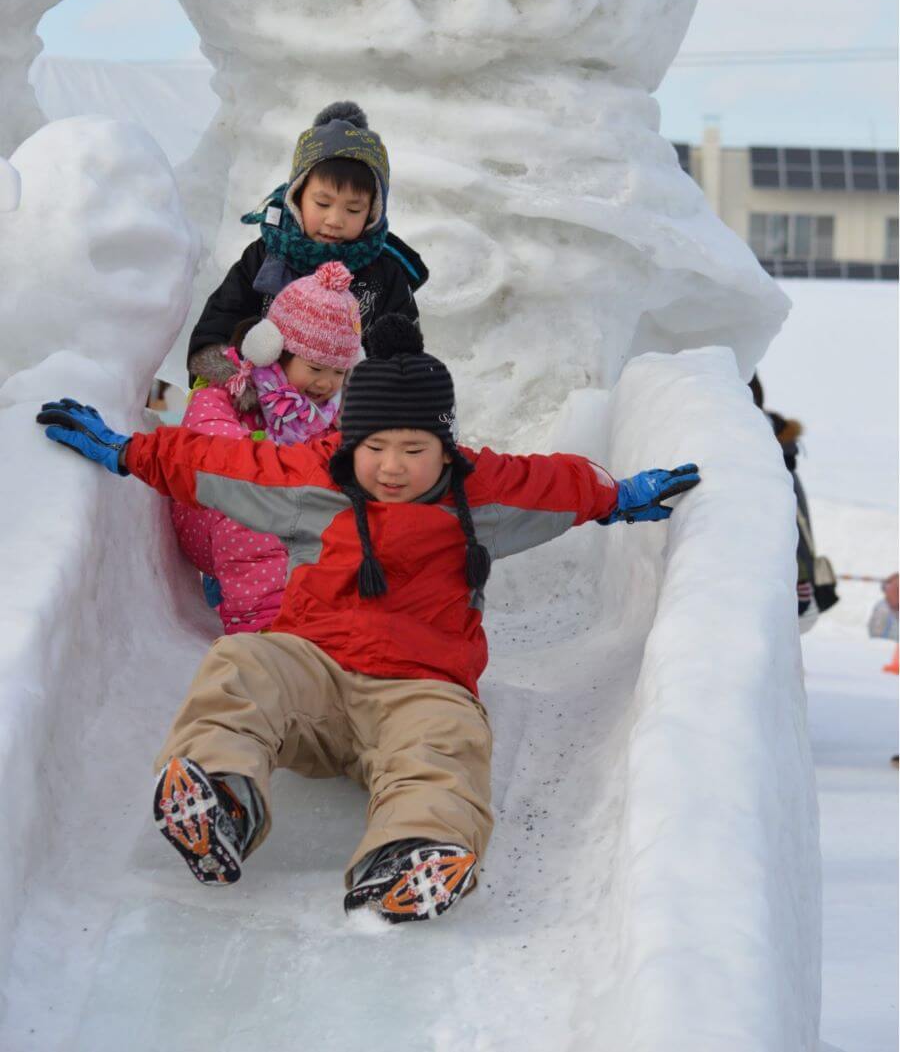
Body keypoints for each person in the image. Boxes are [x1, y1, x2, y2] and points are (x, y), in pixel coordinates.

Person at [36, 318, 700, 925]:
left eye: (413, 448)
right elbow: (217, 464)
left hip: (422, 687)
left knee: (447, 745)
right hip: (313, 675)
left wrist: (618, 496)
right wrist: (128, 451)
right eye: (375, 445)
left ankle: (413, 852)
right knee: (244, 663)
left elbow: (553, 482)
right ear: (350, 442)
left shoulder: (481, 493)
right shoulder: (312, 483)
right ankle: (221, 797)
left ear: (445, 448)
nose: (390, 465)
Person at [173, 261, 362, 634]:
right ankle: (260, 625)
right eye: (315, 368)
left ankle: (337, 617)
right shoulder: (230, 390)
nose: (326, 383)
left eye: (338, 372)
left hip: (288, 524)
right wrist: (265, 465)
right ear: (276, 351)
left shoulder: (328, 417)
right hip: (214, 517)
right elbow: (206, 436)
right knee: (254, 509)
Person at [187, 101, 427, 385]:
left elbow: (401, 351)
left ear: (373, 213)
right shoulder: (266, 257)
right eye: (323, 203)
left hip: (342, 408)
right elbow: (221, 321)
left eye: (353, 209)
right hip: (260, 401)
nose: (335, 219)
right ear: (297, 196)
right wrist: (233, 377)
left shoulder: (385, 273)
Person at [749, 373, 838, 624]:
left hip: (787, 577)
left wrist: (800, 577)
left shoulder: (767, 454)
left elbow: (789, 522)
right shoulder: (782, 458)